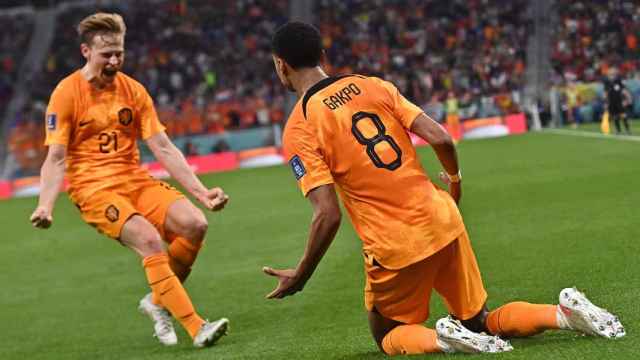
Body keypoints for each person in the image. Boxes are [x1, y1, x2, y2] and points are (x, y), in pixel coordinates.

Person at [263, 21, 626, 356]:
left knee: (387, 335)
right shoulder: (372, 85)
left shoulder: (301, 126)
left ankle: (442, 338)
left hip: (393, 244)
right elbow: (440, 137)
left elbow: (327, 214)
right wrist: (453, 183)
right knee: (480, 319)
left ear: (281, 65)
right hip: (441, 216)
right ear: (322, 56)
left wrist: (301, 275)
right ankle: (562, 314)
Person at [29, 13, 229, 348]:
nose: (114, 60)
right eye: (106, 53)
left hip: (135, 180)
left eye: (119, 52)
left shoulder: (133, 90)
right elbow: (56, 157)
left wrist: (201, 192)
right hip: (93, 189)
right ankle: (197, 327)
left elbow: (162, 146)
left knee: (195, 224)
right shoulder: (66, 94)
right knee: (149, 241)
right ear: (85, 52)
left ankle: (157, 301)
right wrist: (45, 205)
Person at [604, 68, 633, 135]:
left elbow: (624, 90)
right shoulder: (607, 82)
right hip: (611, 102)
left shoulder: (618, 81)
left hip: (619, 101)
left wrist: (628, 98)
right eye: (610, 73)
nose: (612, 75)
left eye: (613, 73)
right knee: (615, 116)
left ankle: (628, 130)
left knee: (624, 115)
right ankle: (618, 131)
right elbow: (606, 93)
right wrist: (606, 102)